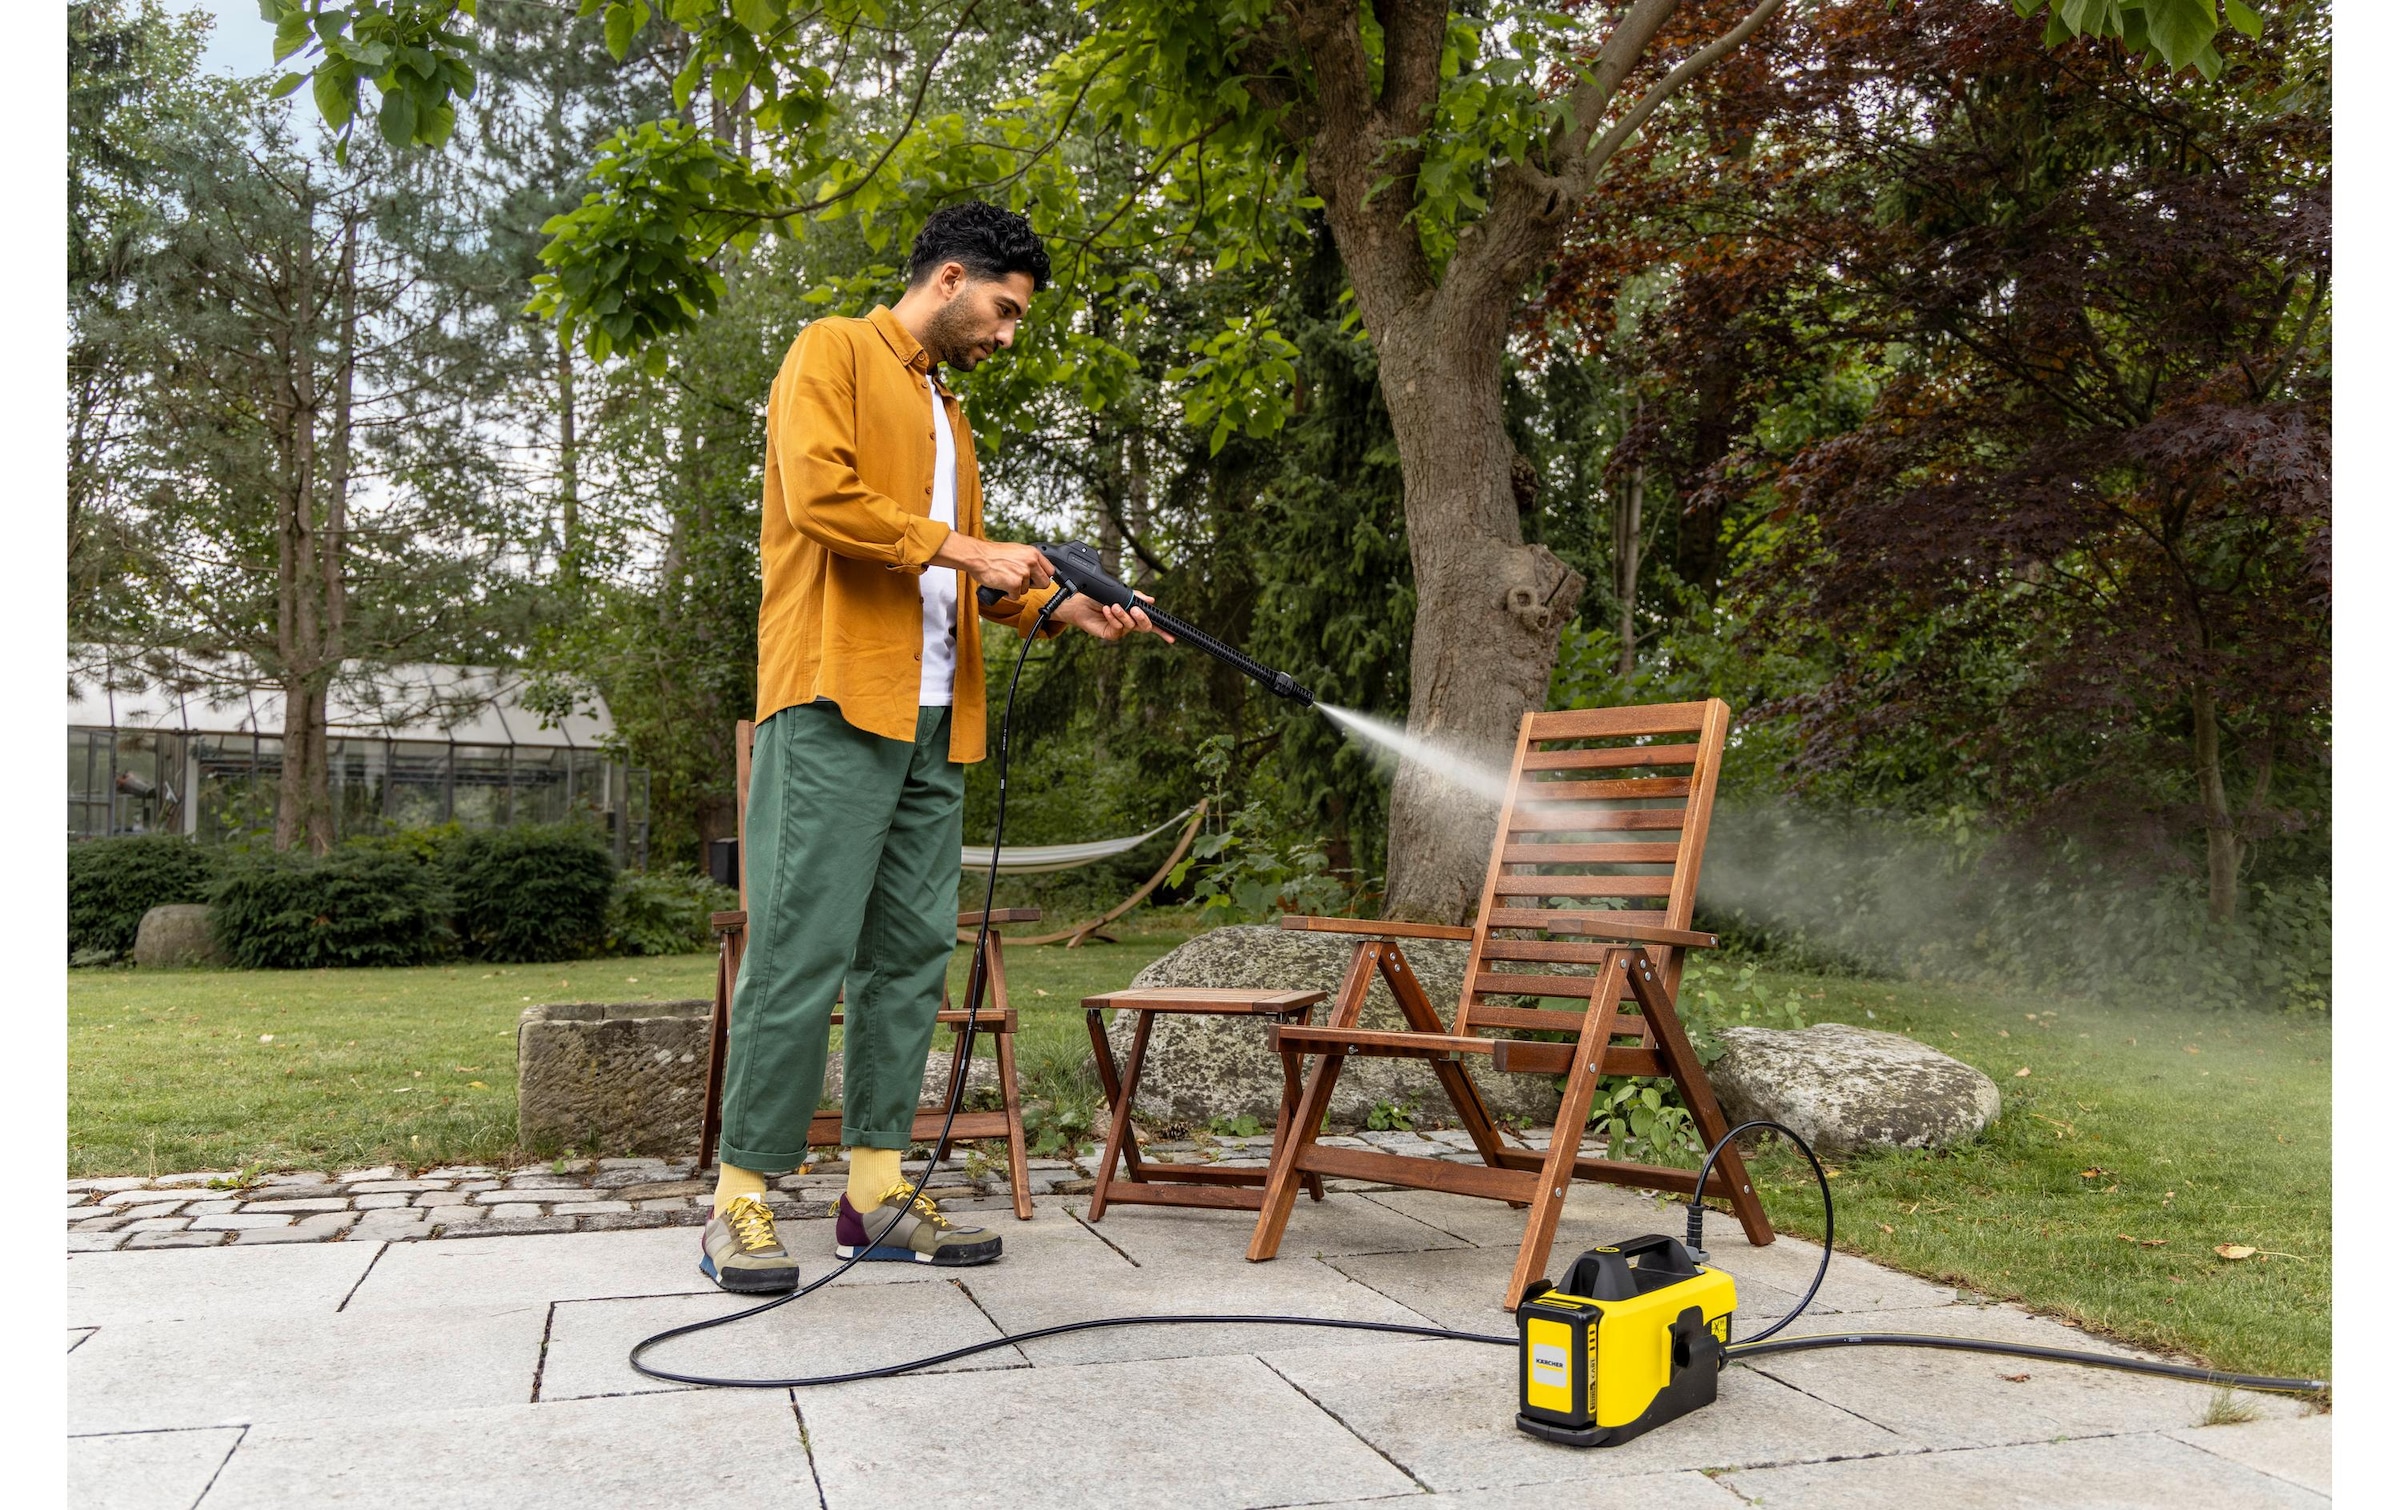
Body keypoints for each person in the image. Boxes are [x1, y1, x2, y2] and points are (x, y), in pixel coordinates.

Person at [702, 200, 1161, 1292]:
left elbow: (961, 576)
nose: (1007, 333)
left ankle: (873, 1194)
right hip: (832, 700)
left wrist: (1062, 611)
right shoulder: (832, 350)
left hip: (935, 721)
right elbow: (824, 502)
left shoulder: (950, 416)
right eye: (1003, 310)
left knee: (908, 959)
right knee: (801, 949)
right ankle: (741, 1200)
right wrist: (971, 545)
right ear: (951, 278)